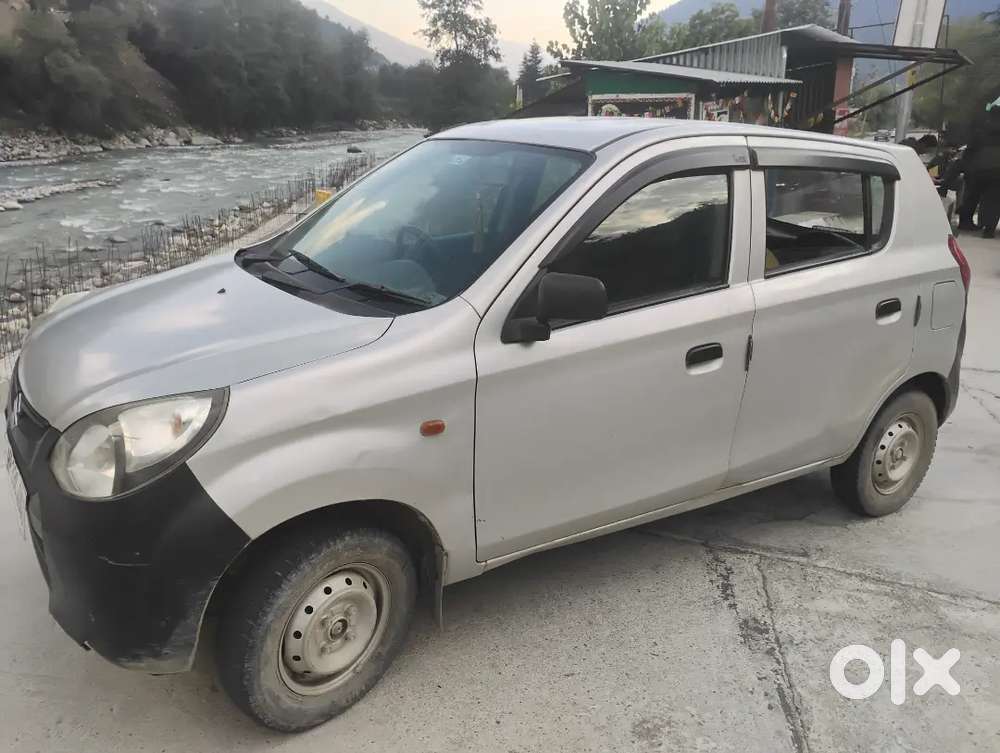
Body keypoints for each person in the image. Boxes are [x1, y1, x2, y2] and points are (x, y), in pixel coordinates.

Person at [964, 103, 1000, 238]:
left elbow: (969, 151)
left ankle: (976, 223)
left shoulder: (981, 131)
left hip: (979, 169)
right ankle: (989, 228)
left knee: (977, 197)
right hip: (998, 171)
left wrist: (969, 167)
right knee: (993, 199)